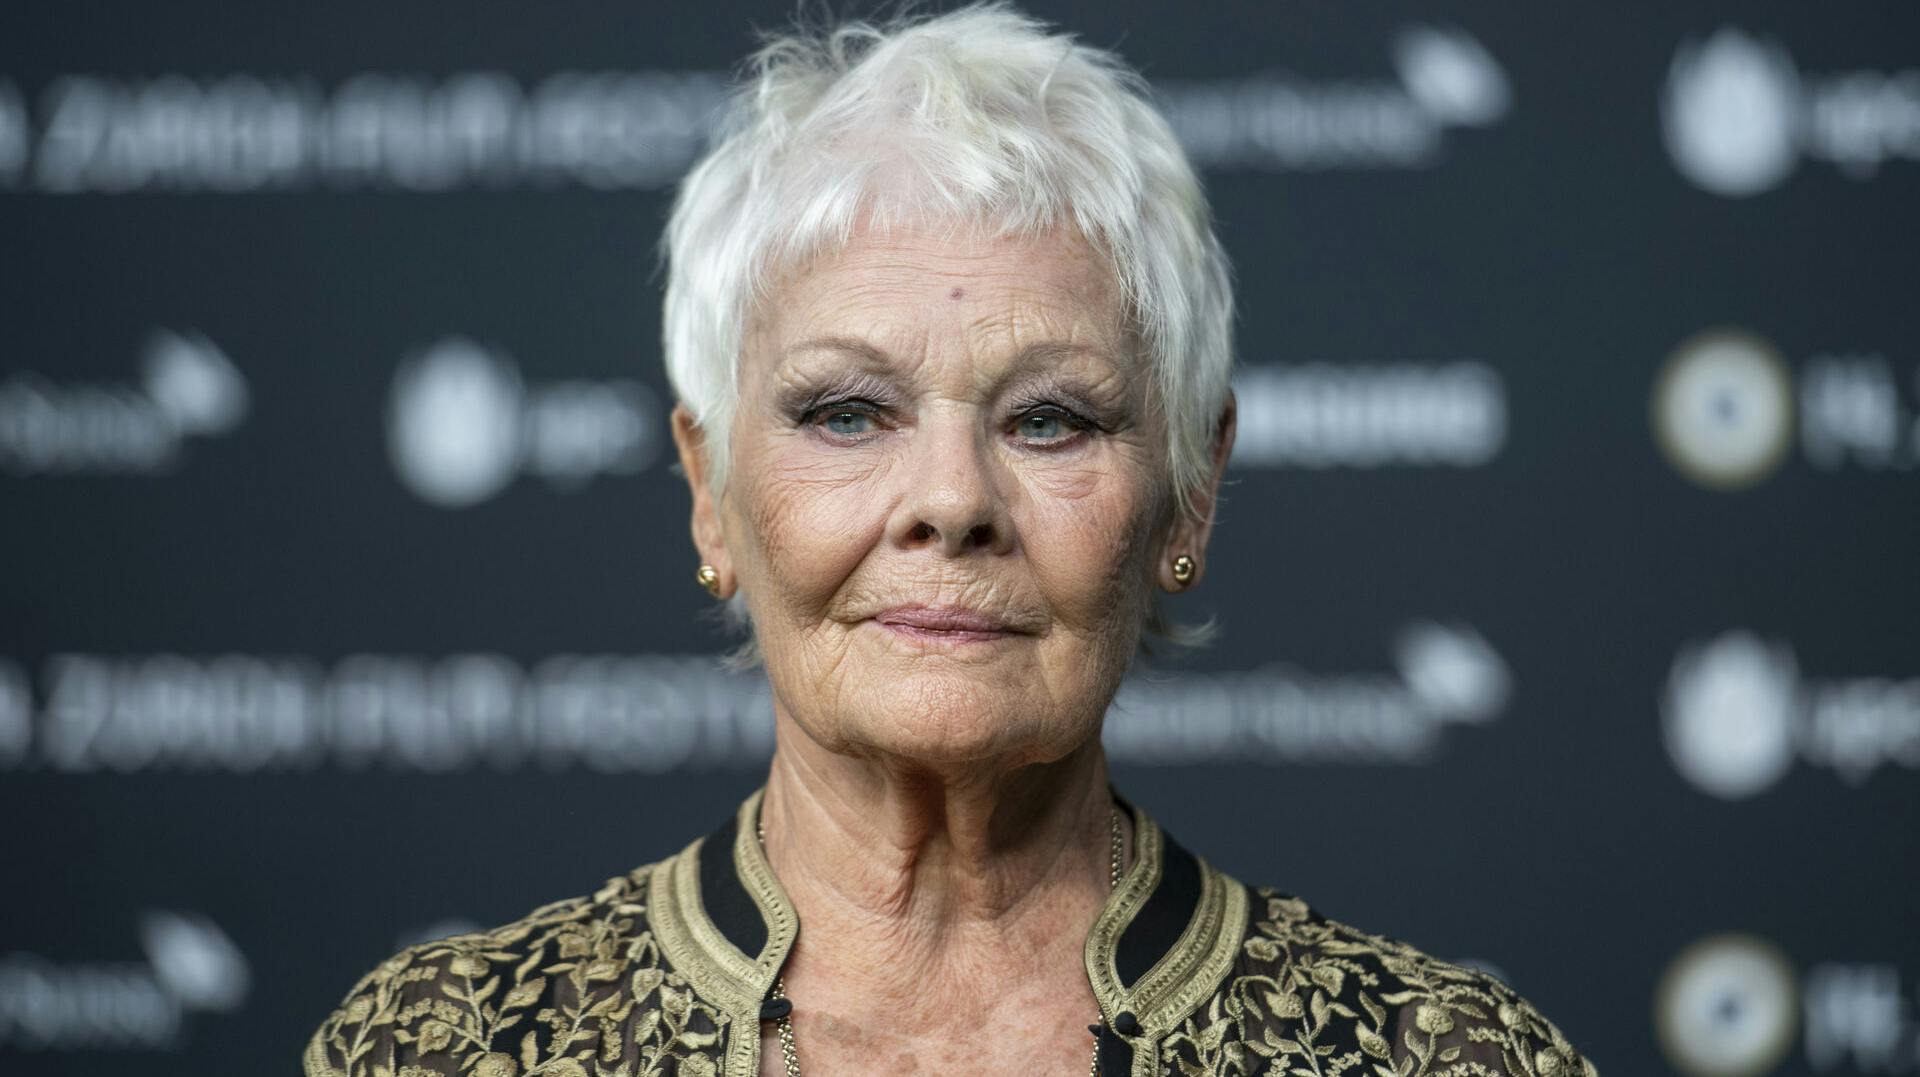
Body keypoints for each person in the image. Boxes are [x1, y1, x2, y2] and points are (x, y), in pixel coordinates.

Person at [304, 5, 1596, 1075]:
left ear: (1190, 492)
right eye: (847, 412)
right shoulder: (444, 1049)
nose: (951, 500)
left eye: (1050, 419)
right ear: (713, 492)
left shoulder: (1445, 1058)